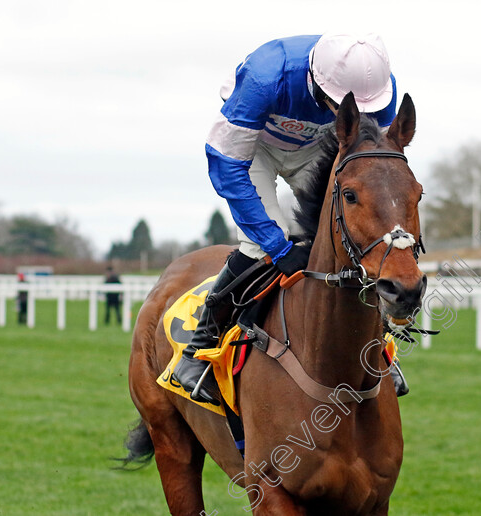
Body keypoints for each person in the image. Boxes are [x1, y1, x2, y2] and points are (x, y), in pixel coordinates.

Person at [174, 33, 407, 404]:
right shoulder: (267, 76)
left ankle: (378, 345)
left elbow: (376, 164)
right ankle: (198, 349)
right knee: (260, 243)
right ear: (317, 84)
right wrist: (276, 246)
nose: (363, 112)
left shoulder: (378, 87)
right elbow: (226, 164)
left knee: (347, 241)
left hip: (320, 148)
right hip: (254, 151)